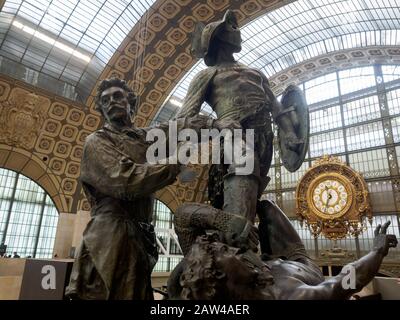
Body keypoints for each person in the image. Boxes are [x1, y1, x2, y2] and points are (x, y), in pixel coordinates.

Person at [65, 78, 235, 300]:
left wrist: (217, 125)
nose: (111, 102)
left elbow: (181, 126)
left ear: (131, 103)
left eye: (117, 96)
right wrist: (176, 161)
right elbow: (127, 182)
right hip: (109, 239)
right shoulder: (97, 141)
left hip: (140, 237)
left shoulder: (145, 138)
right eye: (105, 100)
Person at [177, 10, 304, 224]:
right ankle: (237, 239)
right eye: (232, 28)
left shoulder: (256, 72)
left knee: (252, 193)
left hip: (264, 139)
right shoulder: (207, 75)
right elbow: (182, 119)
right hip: (234, 139)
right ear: (218, 37)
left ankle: (241, 234)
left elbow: (276, 107)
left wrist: (289, 133)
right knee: (243, 183)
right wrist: (215, 124)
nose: (238, 32)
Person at [168, 200, 398, 300]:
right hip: (297, 259)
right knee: (267, 206)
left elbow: (182, 216)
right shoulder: (292, 297)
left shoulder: (221, 278)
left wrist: (222, 220)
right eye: (227, 253)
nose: (236, 252)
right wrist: (377, 251)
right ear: (222, 275)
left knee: (259, 203)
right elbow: (345, 282)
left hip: (272, 262)